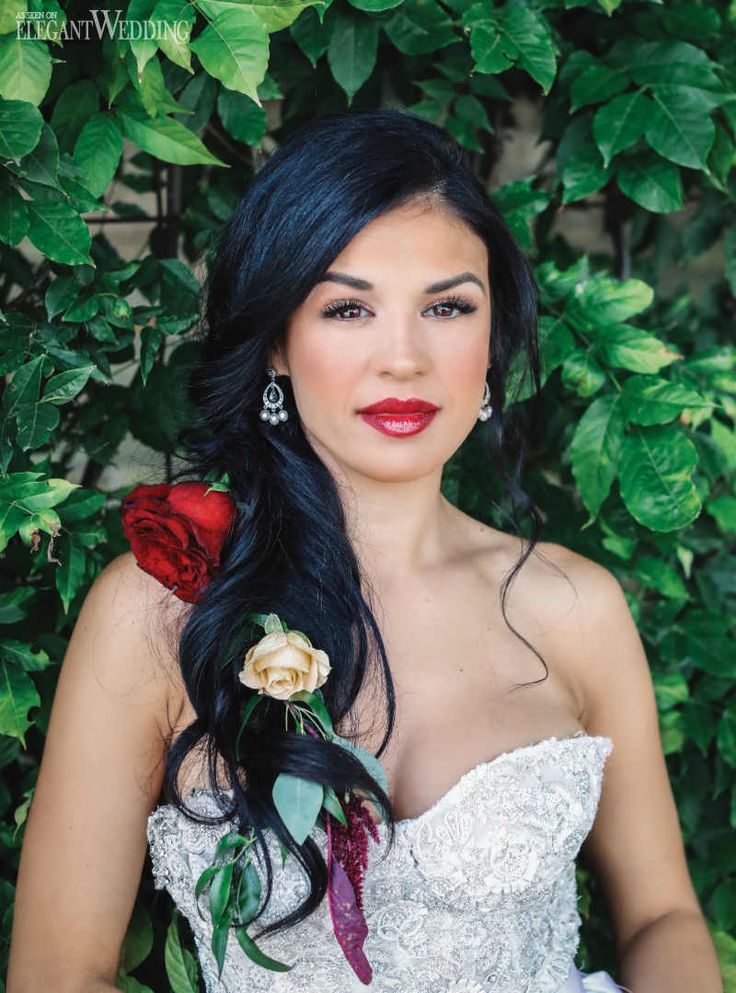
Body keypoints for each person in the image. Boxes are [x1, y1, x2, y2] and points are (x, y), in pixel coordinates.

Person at [7, 108, 722, 993]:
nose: (405, 359)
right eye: (348, 308)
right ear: (277, 339)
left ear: (491, 337)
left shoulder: (575, 607)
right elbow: (58, 972)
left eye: (448, 307)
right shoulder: (157, 608)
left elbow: (662, 915)